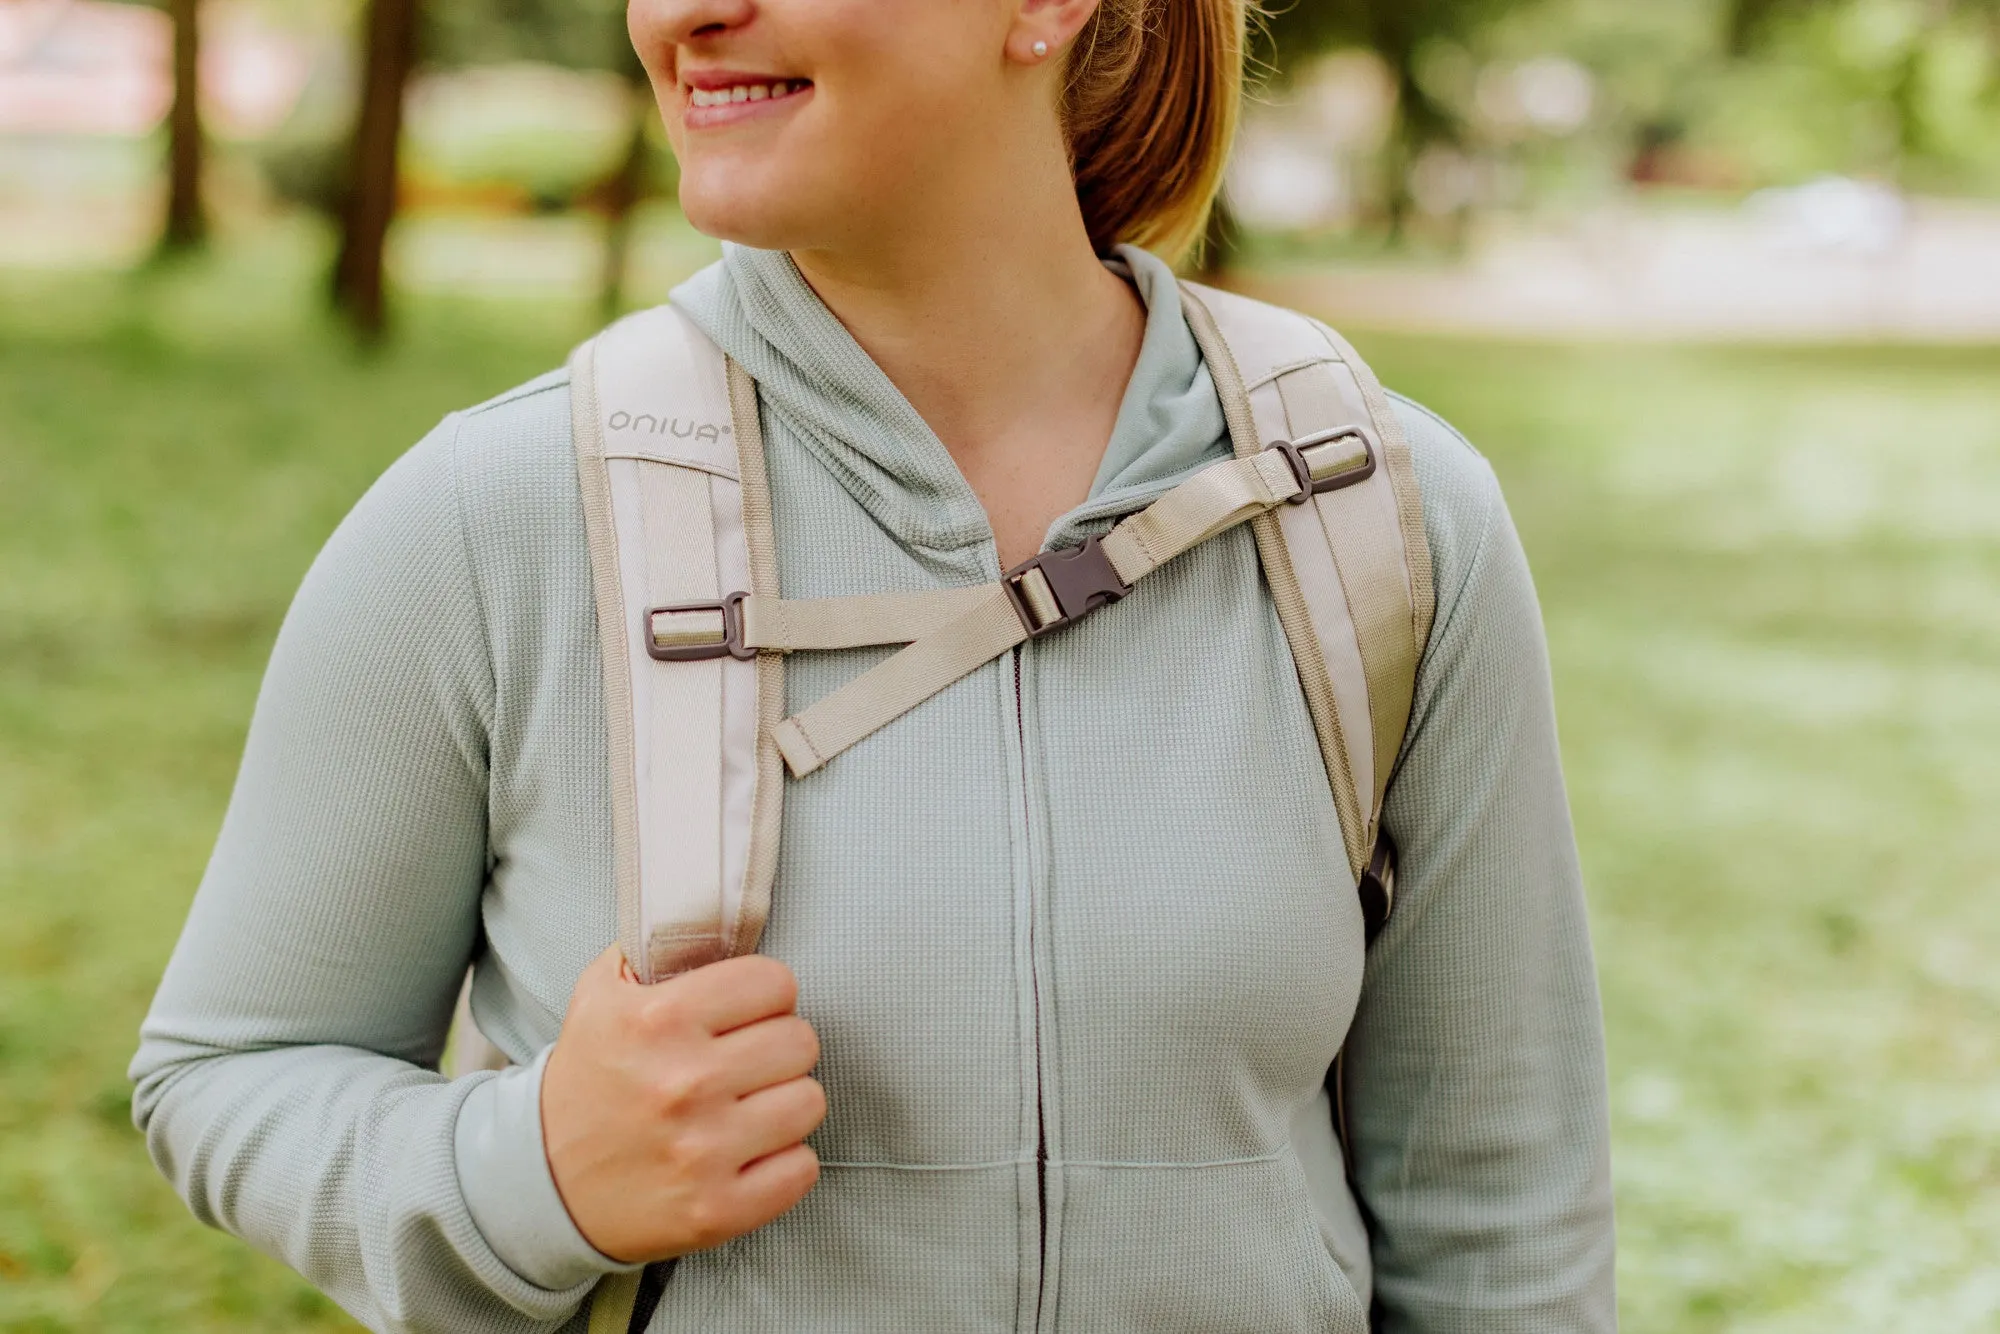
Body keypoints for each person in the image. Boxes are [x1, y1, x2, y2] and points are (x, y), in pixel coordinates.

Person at [130, 0, 1616, 1329]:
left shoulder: (1373, 509)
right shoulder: (493, 515)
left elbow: (1503, 1221)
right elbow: (228, 1073)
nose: (687, 15)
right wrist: (535, 1169)